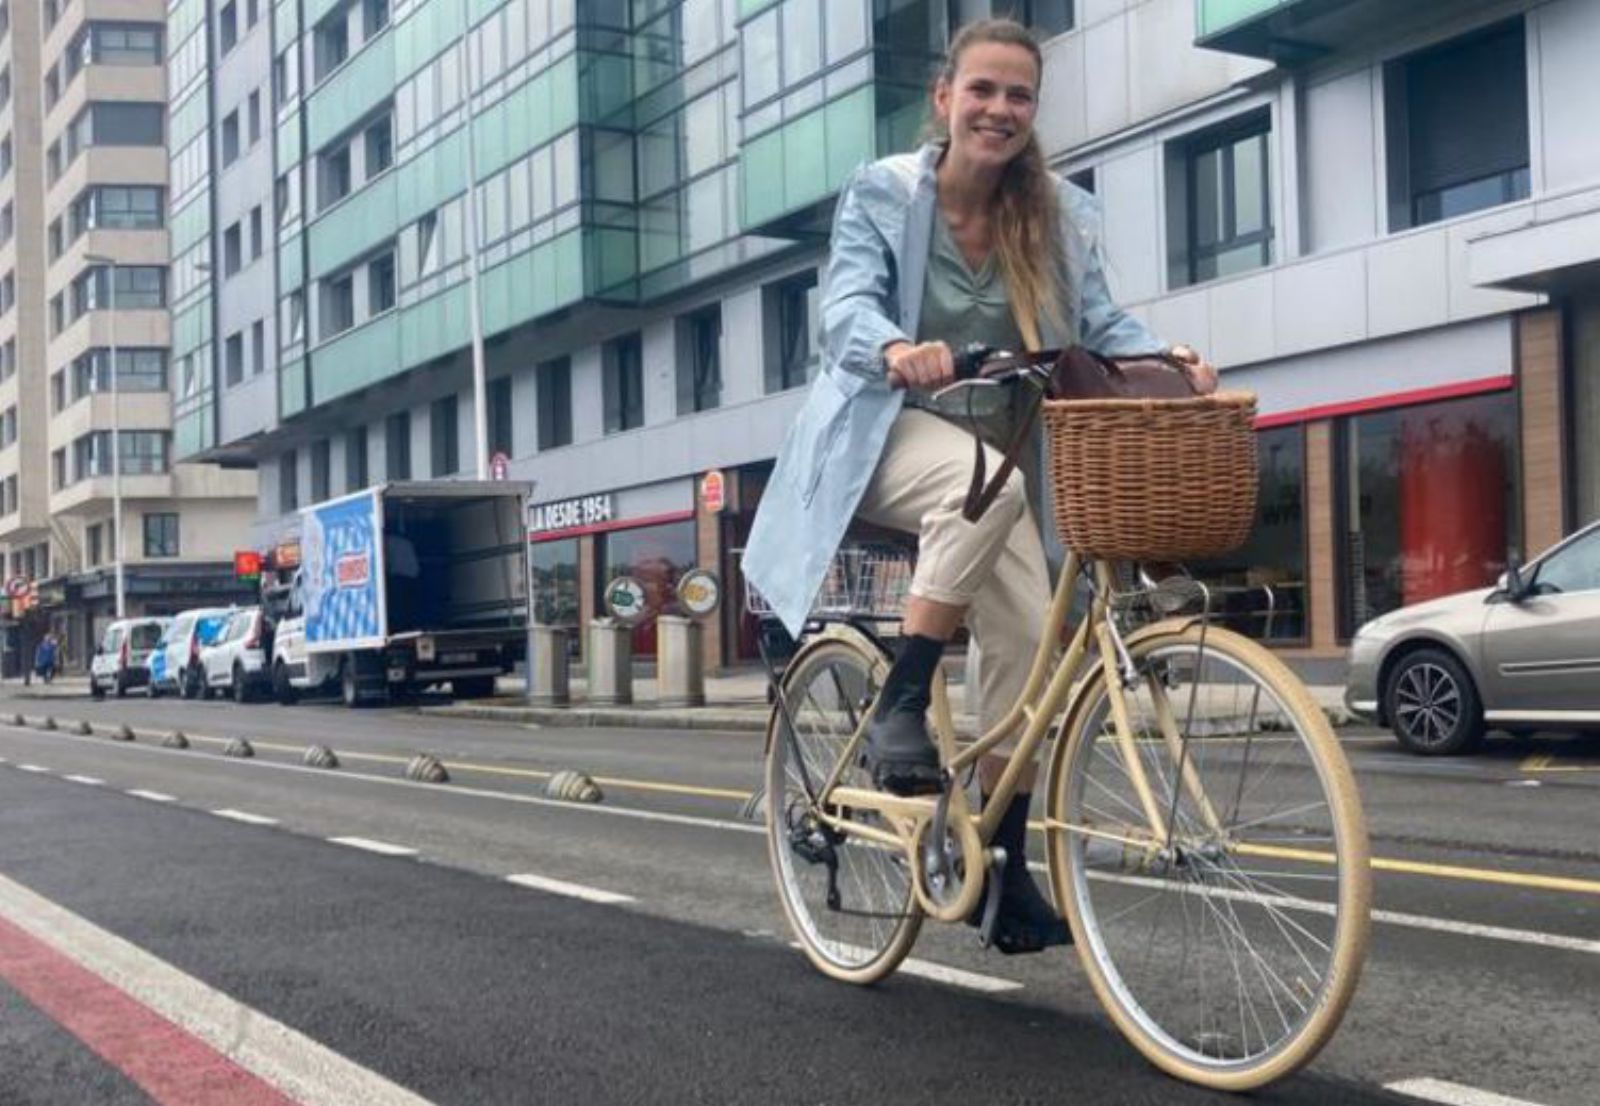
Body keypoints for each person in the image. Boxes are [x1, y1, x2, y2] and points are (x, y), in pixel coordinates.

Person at [742, 19, 1217, 954]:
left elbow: (1098, 322)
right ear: (945, 98)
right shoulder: (885, 192)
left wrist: (1170, 357)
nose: (1001, 110)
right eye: (984, 90)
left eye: (1020, 96)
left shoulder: (1058, 214)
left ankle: (997, 866)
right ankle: (901, 702)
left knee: (1028, 640)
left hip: (993, 458)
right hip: (880, 433)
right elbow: (843, 305)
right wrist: (891, 347)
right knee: (984, 495)